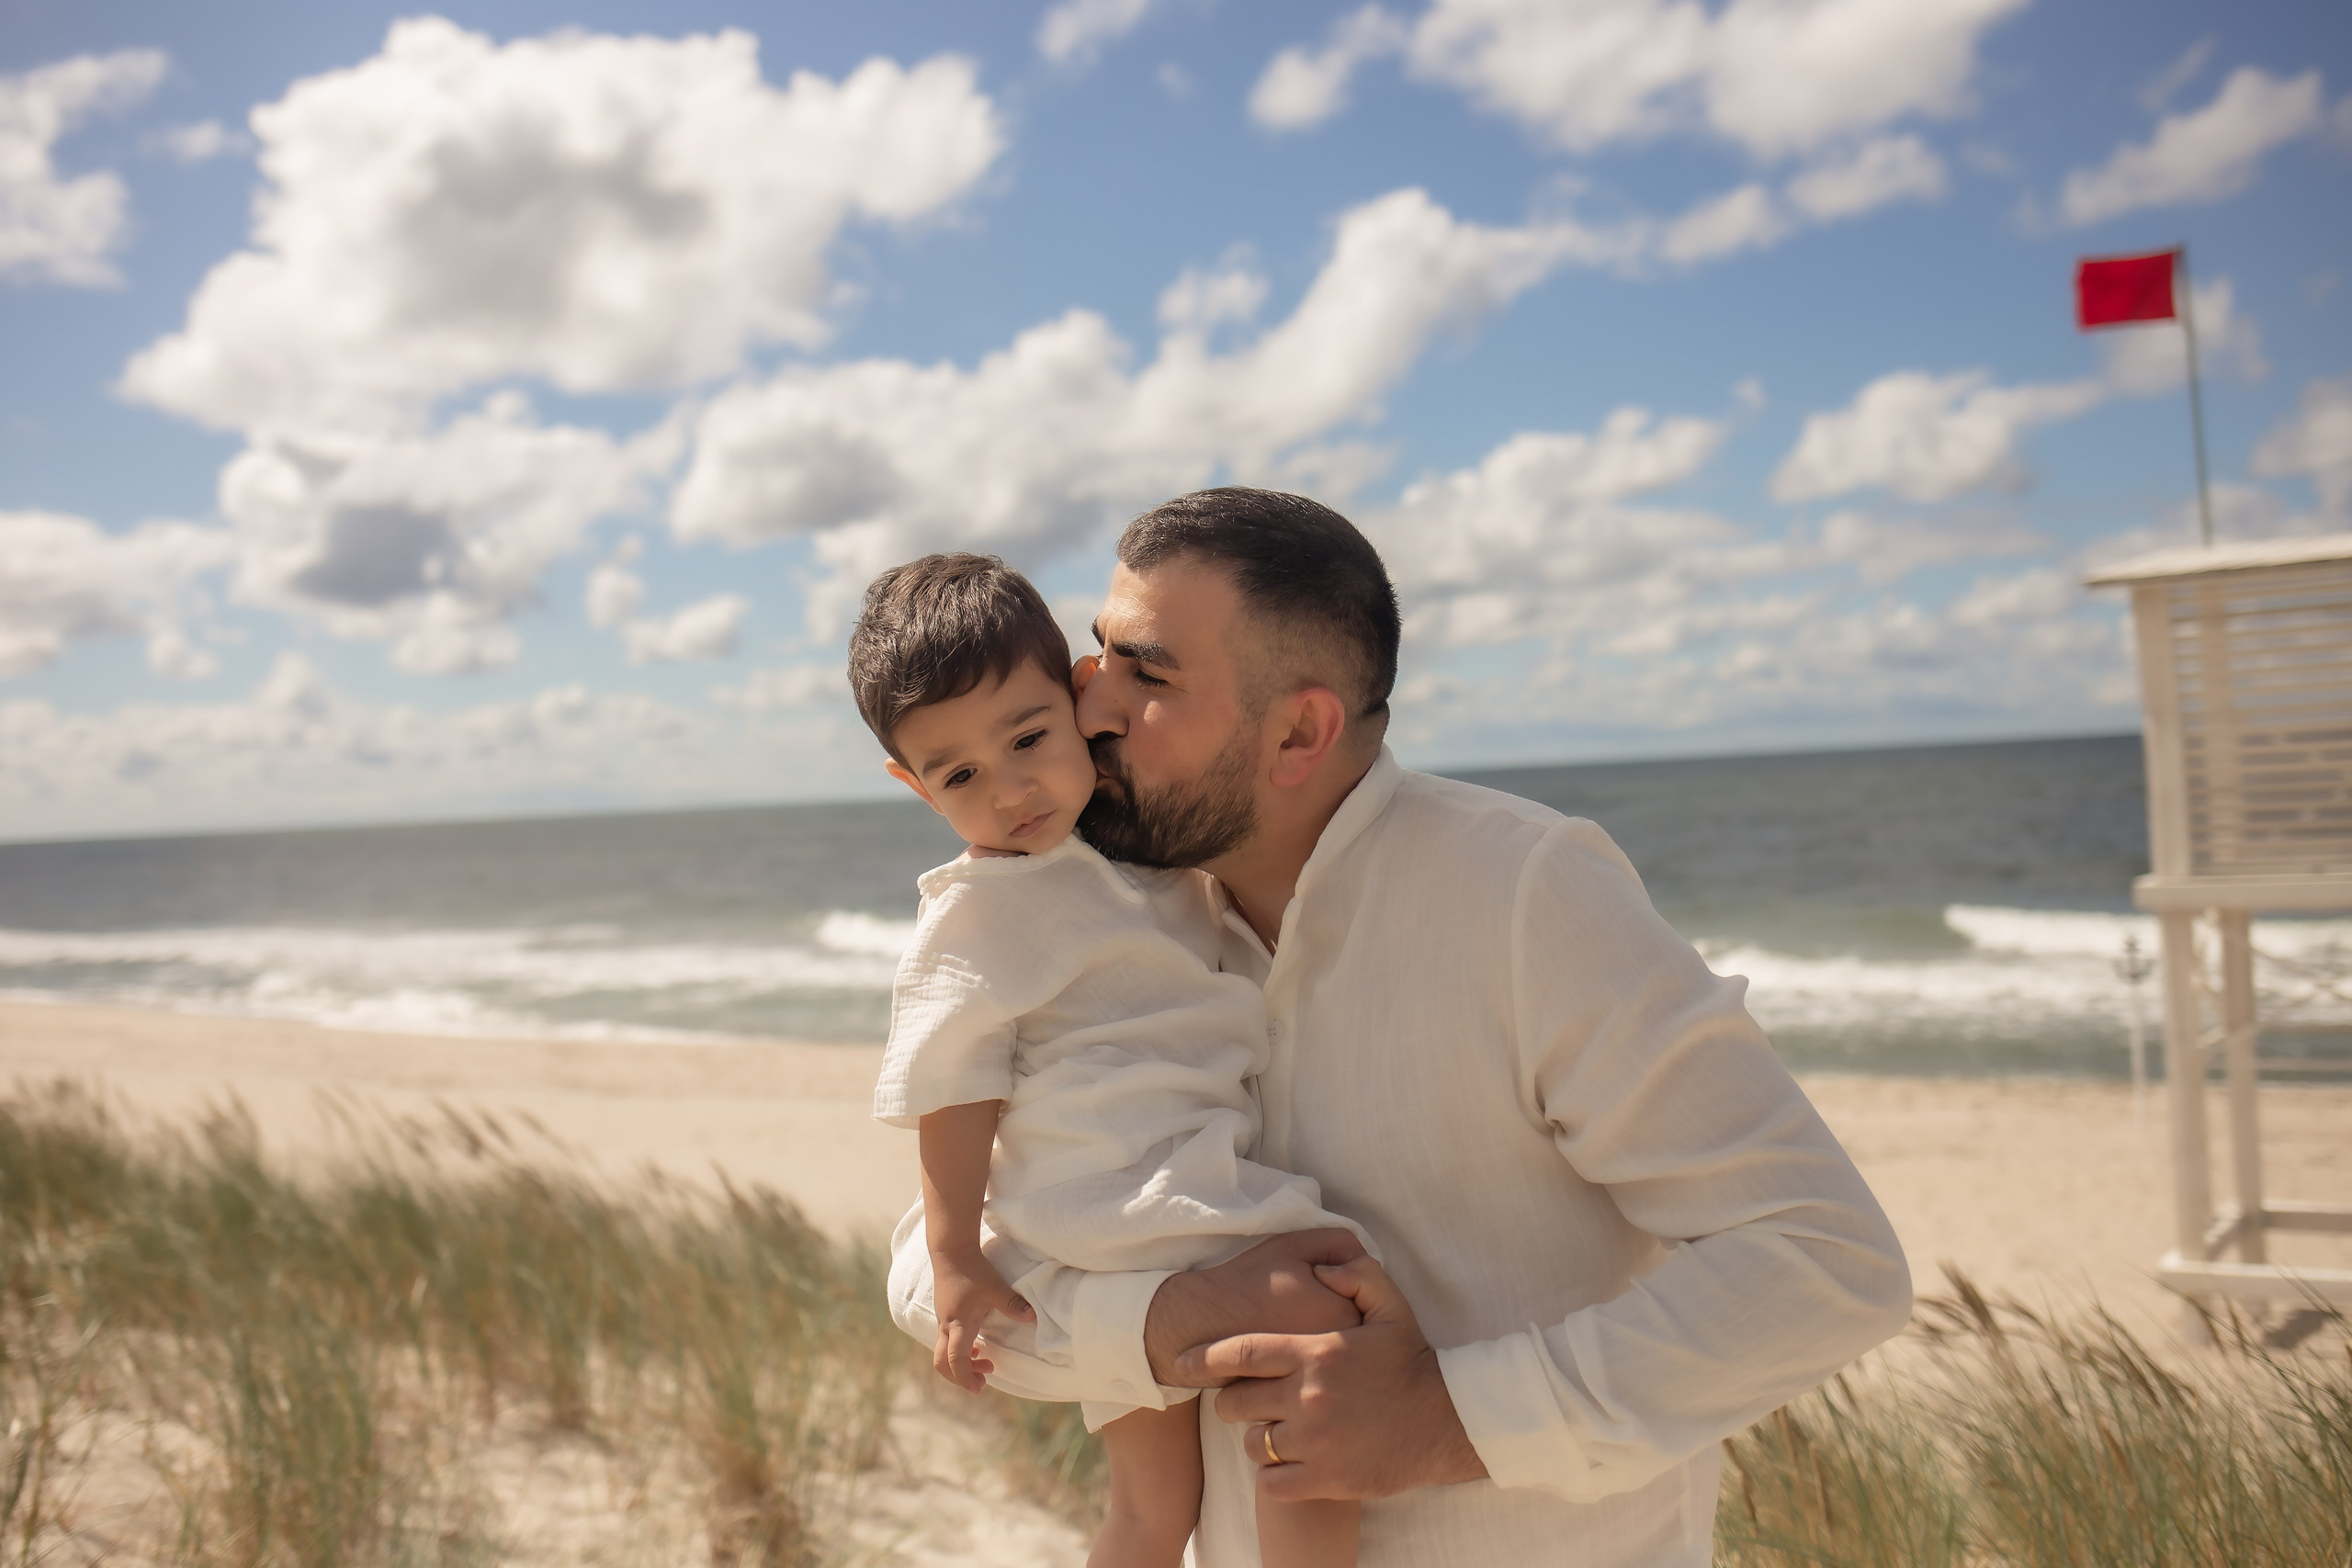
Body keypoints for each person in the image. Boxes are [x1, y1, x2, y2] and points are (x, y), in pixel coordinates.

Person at [887, 488, 1914, 1566]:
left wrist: (1446, 1416)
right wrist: (1159, 1322)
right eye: (1100, 653)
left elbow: (1820, 1261)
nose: (1089, 703)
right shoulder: (1108, 914)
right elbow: (933, 1268)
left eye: (1149, 674)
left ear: (1297, 730)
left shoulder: (1524, 892)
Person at [848, 552, 1370, 1568]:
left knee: (1153, 1512)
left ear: (1082, 695)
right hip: (1122, 1203)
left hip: (1163, 1187)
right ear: (912, 786)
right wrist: (954, 1256)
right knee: (1321, 1311)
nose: (1012, 791)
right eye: (959, 776)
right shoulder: (981, 909)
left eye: (1031, 739)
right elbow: (953, 1085)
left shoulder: (1137, 848)